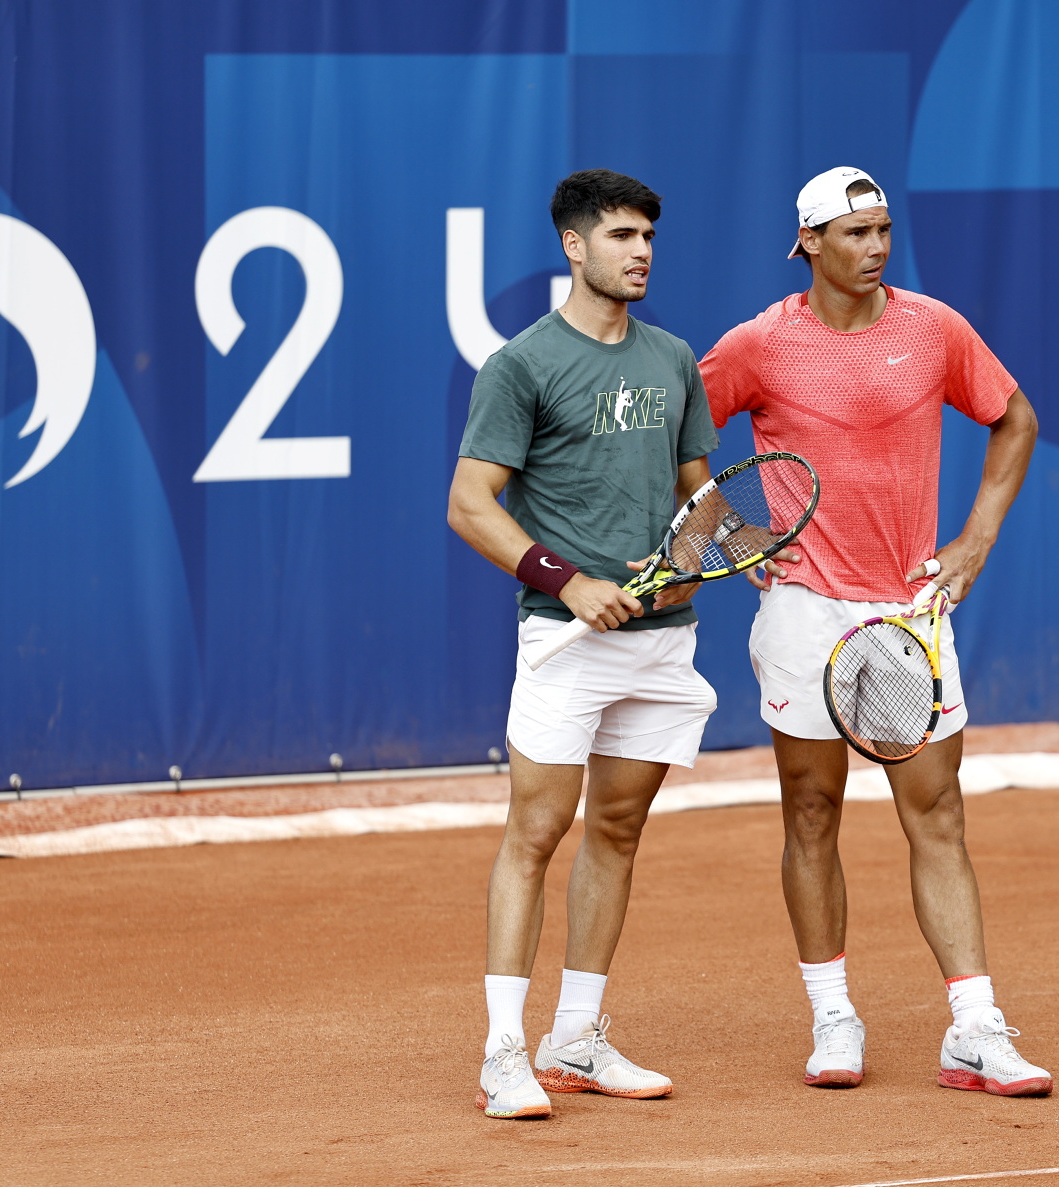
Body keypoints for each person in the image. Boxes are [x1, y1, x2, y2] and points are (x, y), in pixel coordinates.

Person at [699, 166, 1049, 1095]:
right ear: (808, 242)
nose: (876, 247)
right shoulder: (759, 344)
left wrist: (974, 540)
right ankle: (833, 1016)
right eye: (854, 233)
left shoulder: (933, 328)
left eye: (883, 229)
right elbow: (680, 437)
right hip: (804, 612)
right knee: (810, 813)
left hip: (909, 612)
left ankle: (974, 1028)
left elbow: (1014, 419)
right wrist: (735, 536)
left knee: (936, 814)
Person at [448, 169, 720, 1119]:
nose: (639, 250)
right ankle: (502, 1051)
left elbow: (700, 491)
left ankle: (577, 1037)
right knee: (535, 832)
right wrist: (567, 581)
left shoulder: (673, 357)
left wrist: (694, 556)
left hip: (660, 641)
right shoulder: (520, 366)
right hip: (564, 640)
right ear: (573, 246)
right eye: (619, 235)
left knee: (617, 829)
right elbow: (469, 506)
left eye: (647, 235)